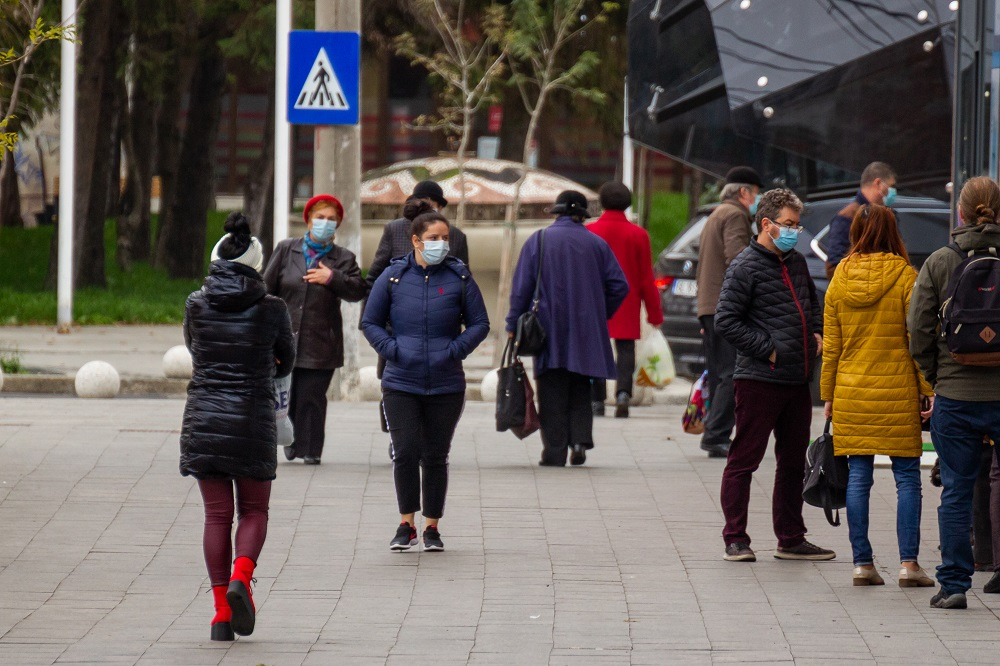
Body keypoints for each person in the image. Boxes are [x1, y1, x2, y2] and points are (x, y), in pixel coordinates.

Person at [179, 213, 295, 640]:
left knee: (215, 516)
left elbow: (194, 348)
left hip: (205, 417)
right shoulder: (273, 309)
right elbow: (288, 357)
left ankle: (219, 617)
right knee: (254, 510)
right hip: (251, 419)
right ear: (257, 264)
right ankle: (241, 580)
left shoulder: (196, 303)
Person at [715, 188, 835, 563]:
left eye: (797, 225)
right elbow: (725, 321)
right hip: (758, 380)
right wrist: (767, 348)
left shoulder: (796, 261)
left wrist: (815, 333)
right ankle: (735, 538)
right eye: (788, 224)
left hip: (797, 380)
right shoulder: (744, 266)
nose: (794, 231)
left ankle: (791, 537)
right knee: (744, 460)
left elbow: (812, 305)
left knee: (793, 462)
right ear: (766, 224)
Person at [820, 203, 934, 588]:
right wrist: (927, 388)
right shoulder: (905, 277)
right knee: (906, 479)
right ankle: (909, 565)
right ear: (894, 232)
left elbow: (832, 346)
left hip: (851, 391)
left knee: (858, 476)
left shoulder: (838, 279)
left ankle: (862, 563)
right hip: (897, 390)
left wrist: (828, 395)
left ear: (855, 233)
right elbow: (916, 339)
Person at [362, 211, 490, 552]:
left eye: (445, 238)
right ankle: (407, 523)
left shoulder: (459, 277)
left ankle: (432, 526)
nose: (442, 244)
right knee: (405, 452)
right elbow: (370, 322)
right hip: (401, 381)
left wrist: (455, 350)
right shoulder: (393, 277)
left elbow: (480, 323)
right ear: (416, 241)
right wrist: (392, 349)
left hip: (446, 384)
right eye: (434, 238)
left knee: (435, 455)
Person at [908, 175, 1000, 609]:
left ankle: (955, 585)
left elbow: (919, 330)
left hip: (956, 397)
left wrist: (937, 377)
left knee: (958, 490)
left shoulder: (941, 261)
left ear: (960, 213)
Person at [505, 190, 629, 467]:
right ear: (581, 215)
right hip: (587, 329)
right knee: (580, 386)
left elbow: (521, 288)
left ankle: (555, 451)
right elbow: (620, 285)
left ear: (557, 212)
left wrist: (513, 323)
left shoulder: (539, 240)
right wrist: (600, 311)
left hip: (548, 329)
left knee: (551, 389)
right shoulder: (597, 244)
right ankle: (580, 441)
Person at [263, 194, 367, 465]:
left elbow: (357, 290)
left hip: (322, 339)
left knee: (312, 395)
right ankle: (290, 439)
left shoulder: (343, 258)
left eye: (331, 220)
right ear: (308, 220)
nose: (325, 223)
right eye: (320, 218)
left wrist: (332, 277)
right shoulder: (287, 249)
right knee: (288, 393)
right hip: (284, 338)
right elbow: (266, 290)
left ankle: (311, 449)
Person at [695, 166, 763, 457]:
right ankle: (716, 435)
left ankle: (714, 431)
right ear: (744, 192)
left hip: (710, 305)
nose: (757, 199)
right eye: (756, 193)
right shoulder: (735, 215)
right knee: (730, 373)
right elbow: (739, 259)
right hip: (726, 305)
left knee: (720, 371)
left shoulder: (717, 213)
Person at [586, 181, 663, 418]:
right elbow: (646, 278)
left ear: (601, 203)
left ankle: (597, 399)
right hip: (627, 301)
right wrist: (654, 313)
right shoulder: (638, 235)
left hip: (594, 300)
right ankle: (622, 393)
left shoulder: (590, 232)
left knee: (595, 349)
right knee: (626, 350)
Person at [825, 161, 897, 278]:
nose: (893, 193)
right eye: (891, 186)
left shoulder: (886, 214)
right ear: (878, 183)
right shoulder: (847, 217)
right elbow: (834, 267)